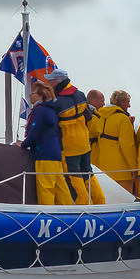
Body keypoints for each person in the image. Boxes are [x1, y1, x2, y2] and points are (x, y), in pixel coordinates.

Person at [47, 69, 104, 205]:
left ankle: (84, 207)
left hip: (69, 146)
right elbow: (89, 120)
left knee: (74, 178)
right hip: (84, 143)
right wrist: (85, 137)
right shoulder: (80, 95)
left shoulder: (56, 101)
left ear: (58, 81)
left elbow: (52, 127)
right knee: (88, 174)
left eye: (50, 80)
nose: (48, 82)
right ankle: (100, 202)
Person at [21, 79, 79, 206]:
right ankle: (68, 213)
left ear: (41, 96)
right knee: (60, 187)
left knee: (46, 188)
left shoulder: (39, 111)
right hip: (55, 155)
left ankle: (47, 214)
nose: (30, 95)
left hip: (44, 155)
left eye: (33, 93)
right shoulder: (51, 110)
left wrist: (22, 145)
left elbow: (34, 134)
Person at [90, 89, 139, 195]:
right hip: (122, 172)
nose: (129, 106)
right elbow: (128, 146)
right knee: (126, 202)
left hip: (104, 171)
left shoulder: (102, 119)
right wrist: (134, 169)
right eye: (128, 102)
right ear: (121, 102)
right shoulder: (123, 119)